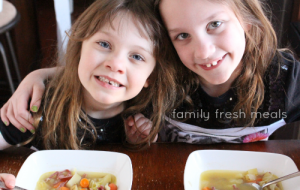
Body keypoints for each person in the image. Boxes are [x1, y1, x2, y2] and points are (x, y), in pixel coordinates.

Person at [2, 0, 300, 144]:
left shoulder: (284, 80)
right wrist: (40, 77)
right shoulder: (167, 80)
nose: (204, 52)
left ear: (246, 21)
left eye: (215, 24)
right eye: (182, 35)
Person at [0, 0, 179, 190]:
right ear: (80, 46)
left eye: (136, 56)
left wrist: (139, 143)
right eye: (104, 44)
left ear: (150, 77)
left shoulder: (146, 113)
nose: (116, 64)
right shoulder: (39, 104)